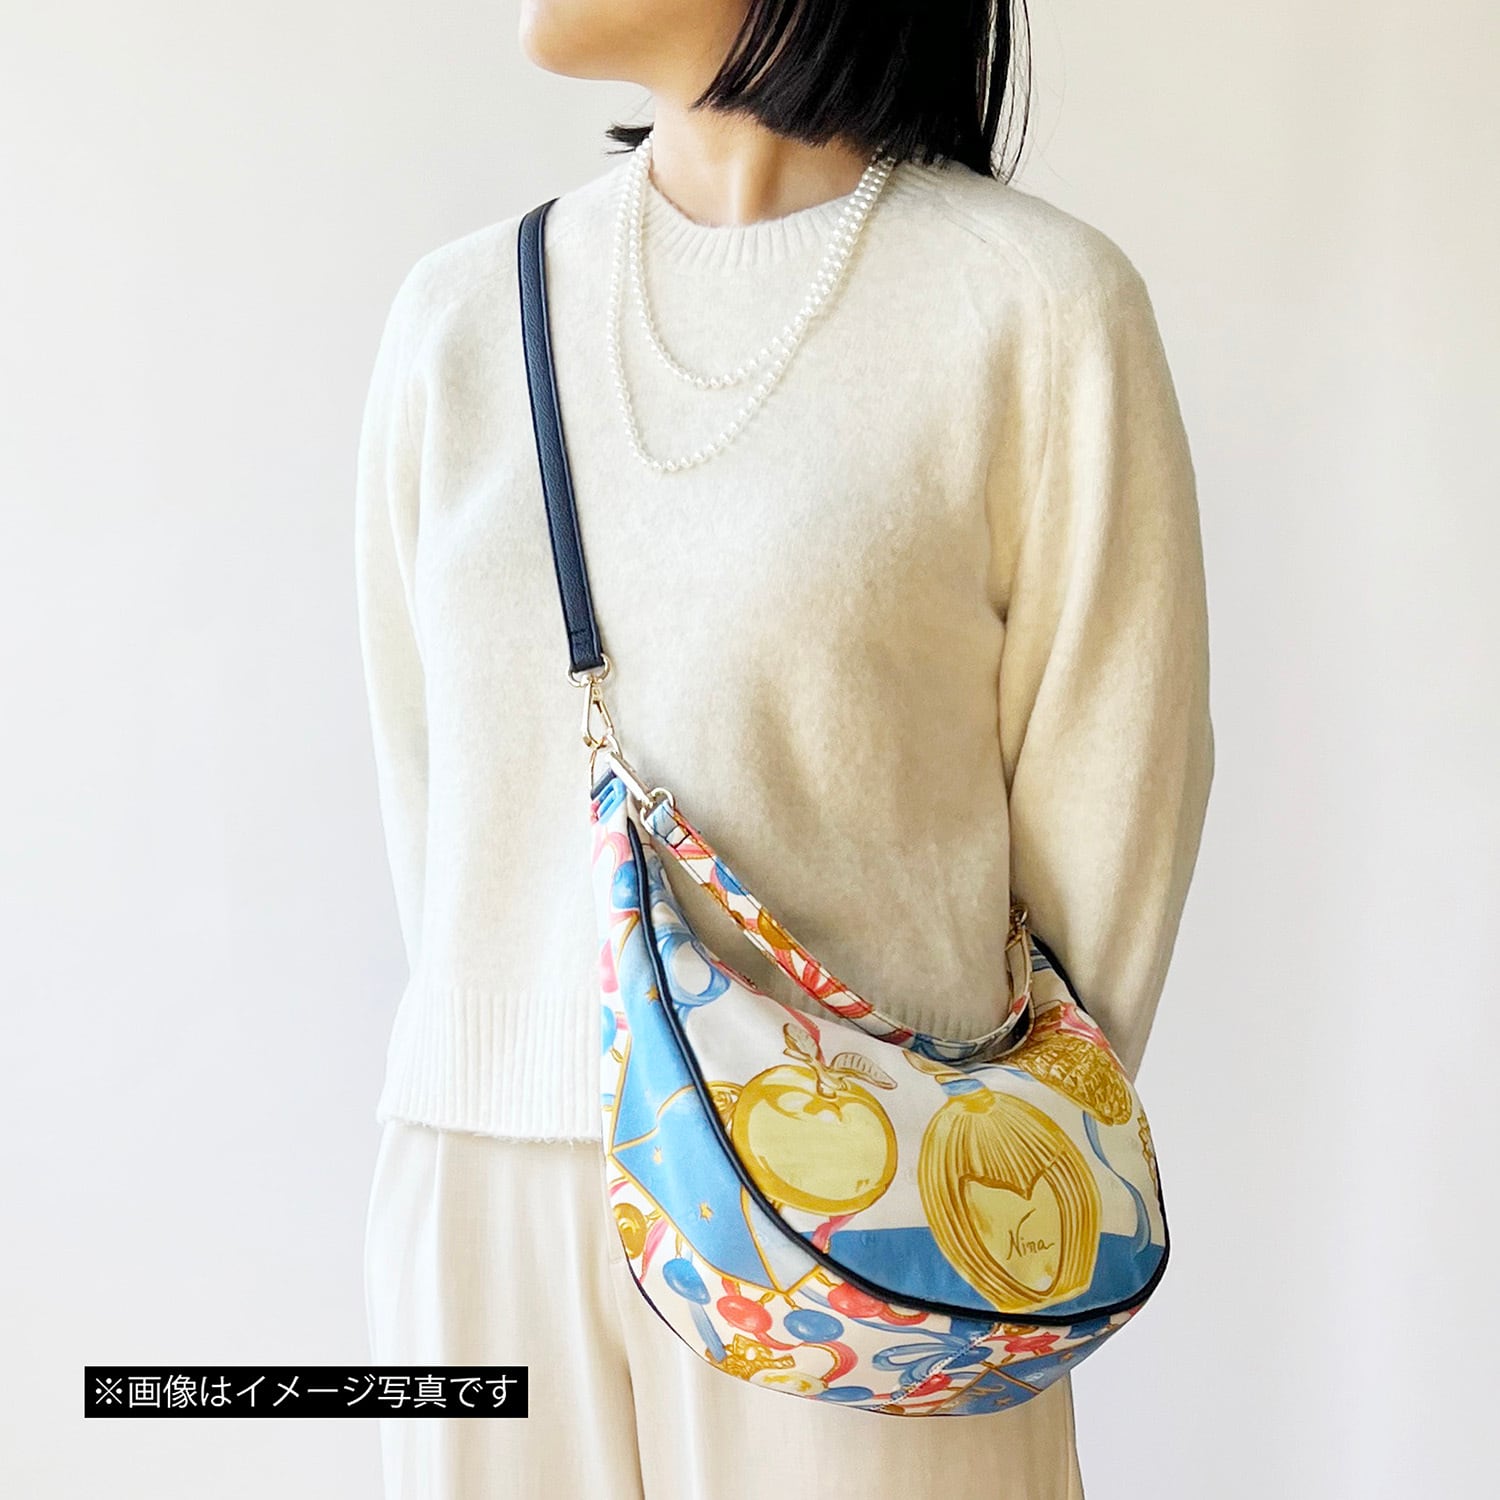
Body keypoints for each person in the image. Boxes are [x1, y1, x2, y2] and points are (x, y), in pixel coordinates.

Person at [354, 0, 1215, 1495]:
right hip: (480, 1188)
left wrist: (952, 1175)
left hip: (862, 1224)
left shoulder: (1034, 309)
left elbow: (1117, 821)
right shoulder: (461, 317)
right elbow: (432, 799)